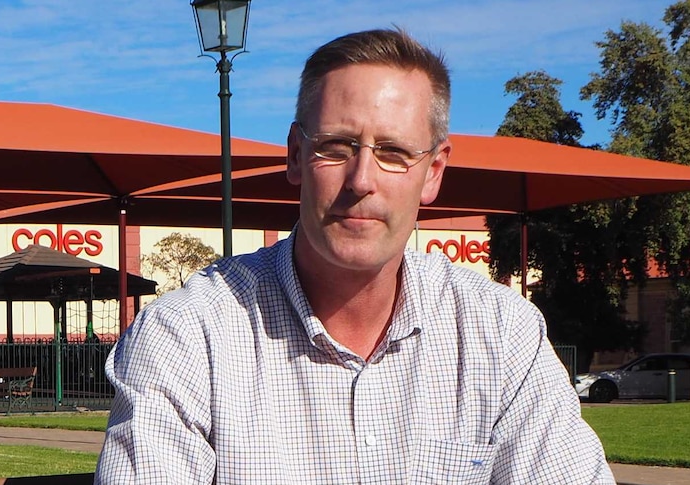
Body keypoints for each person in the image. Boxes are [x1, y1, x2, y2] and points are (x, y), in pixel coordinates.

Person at [95, 28, 615, 484]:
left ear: (433, 171)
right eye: (338, 147)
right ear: (296, 157)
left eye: (393, 153)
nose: (361, 180)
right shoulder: (189, 336)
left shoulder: (499, 334)